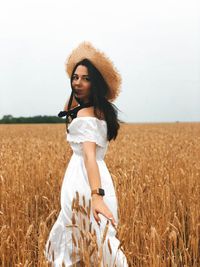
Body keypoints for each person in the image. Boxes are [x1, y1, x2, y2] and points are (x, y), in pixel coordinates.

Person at [44, 42, 129, 266]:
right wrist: (79, 89)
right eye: (75, 77)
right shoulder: (100, 110)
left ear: (96, 84)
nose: (77, 83)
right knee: (95, 237)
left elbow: (89, 155)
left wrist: (95, 196)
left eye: (86, 78)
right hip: (101, 175)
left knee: (77, 236)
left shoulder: (84, 115)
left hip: (84, 179)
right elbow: (69, 106)